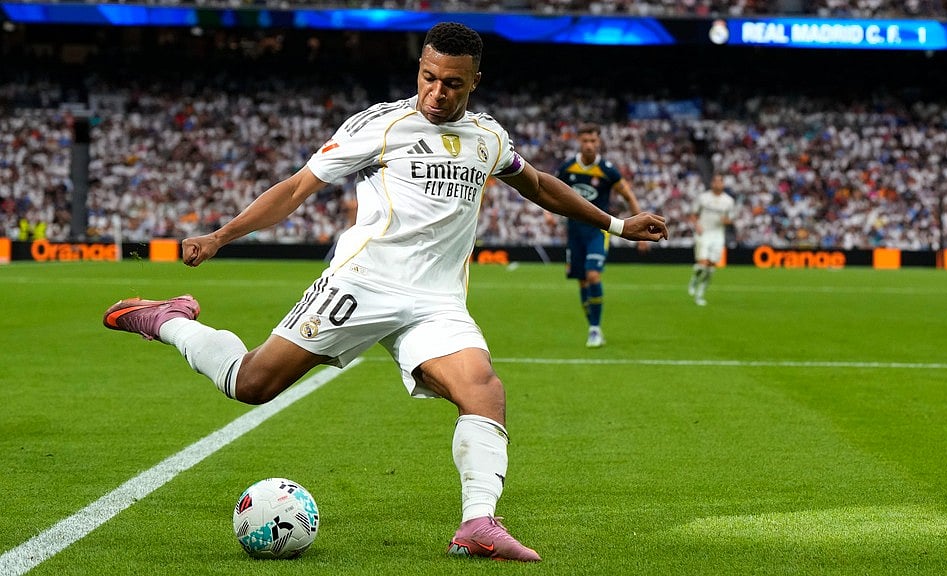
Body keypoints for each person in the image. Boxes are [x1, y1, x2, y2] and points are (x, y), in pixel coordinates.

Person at [102, 22, 668, 563]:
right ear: (419, 69)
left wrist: (616, 225)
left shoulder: (488, 137)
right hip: (361, 283)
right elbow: (299, 186)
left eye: (452, 83)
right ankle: (169, 319)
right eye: (428, 77)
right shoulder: (381, 125)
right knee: (252, 384)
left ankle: (477, 525)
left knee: (484, 391)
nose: (437, 93)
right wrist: (222, 234)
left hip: (436, 302)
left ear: (475, 82)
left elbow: (540, 185)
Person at [553, 122, 648, 348]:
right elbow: (552, 192)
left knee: (593, 275)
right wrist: (549, 214)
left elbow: (629, 196)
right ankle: (593, 327)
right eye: (585, 141)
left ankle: (595, 329)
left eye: (593, 141)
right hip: (574, 232)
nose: (589, 145)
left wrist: (642, 233)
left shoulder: (607, 170)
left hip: (598, 231)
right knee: (583, 282)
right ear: (579, 141)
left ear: (599, 142)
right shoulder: (567, 168)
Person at [687, 173, 734, 306]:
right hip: (704, 233)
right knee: (702, 264)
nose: (717, 184)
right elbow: (693, 215)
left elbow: (730, 219)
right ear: (712, 183)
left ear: (723, 184)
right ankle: (695, 278)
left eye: (720, 181)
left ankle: (700, 294)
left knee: (711, 268)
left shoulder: (728, 201)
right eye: (715, 181)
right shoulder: (703, 198)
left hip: (718, 235)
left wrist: (727, 221)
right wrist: (697, 226)